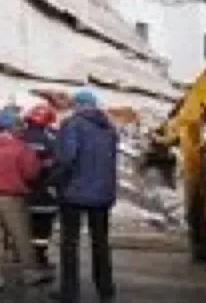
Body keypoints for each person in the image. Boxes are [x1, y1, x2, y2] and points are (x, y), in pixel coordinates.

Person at [0, 109, 53, 293]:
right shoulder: (21, 148)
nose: (23, 129)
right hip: (12, 198)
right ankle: (31, 273)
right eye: (20, 125)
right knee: (21, 236)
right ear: (13, 127)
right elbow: (31, 173)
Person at [51, 90, 118, 303]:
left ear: (79, 105)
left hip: (74, 193)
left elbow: (67, 157)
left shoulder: (73, 124)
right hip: (103, 194)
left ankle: (69, 292)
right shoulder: (108, 128)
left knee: (70, 243)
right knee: (100, 242)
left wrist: (54, 181)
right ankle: (105, 290)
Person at [22, 104, 59, 268]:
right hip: (46, 189)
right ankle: (39, 257)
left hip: (24, 189)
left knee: (25, 224)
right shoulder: (52, 136)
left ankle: (25, 255)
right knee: (43, 227)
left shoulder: (20, 135)